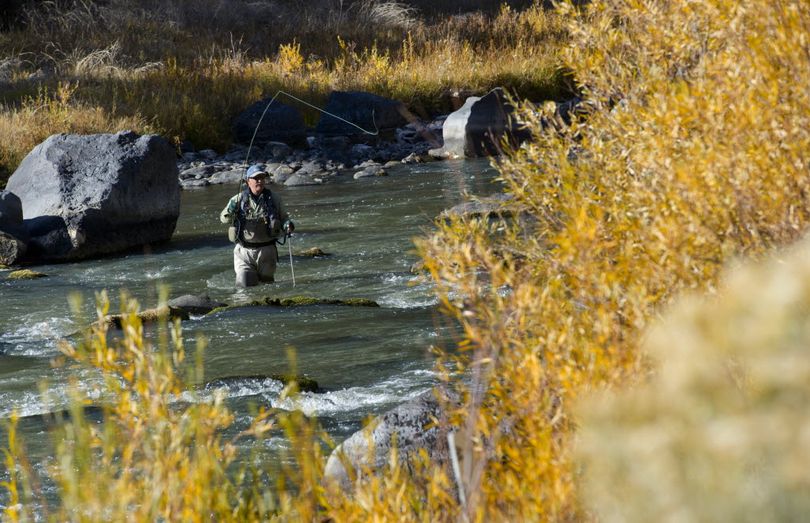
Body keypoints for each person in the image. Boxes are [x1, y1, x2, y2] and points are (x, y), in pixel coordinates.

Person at [220, 164, 294, 286]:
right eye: (256, 178)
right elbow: (224, 219)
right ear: (248, 181)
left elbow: (284, 218)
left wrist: (288, 224)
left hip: (267, 252)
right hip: (244, 252)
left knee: (267, 286)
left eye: (262, 178)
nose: (259, 181)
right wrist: (230, 211)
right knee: (244, 284)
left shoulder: (275, 198)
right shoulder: (237, 199)